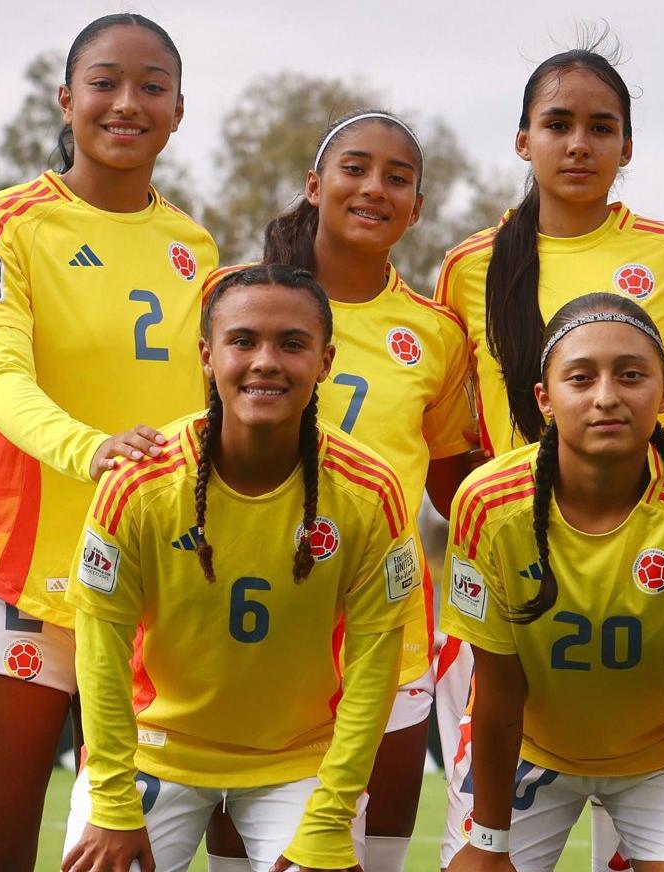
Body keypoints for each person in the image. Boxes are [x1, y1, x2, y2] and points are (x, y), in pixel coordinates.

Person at [0, 12, 216, 871]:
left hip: (151, 590)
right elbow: (2, 378)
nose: (127, 103)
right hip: (18, 575)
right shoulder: (4, 223)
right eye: (104, 82)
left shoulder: (195, 247)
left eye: (152, 87)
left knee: (125, 857)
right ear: (66, 99)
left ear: (177, 110)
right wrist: (90, 449)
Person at [60, 264, 417, 872]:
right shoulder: (141, 482)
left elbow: (373, 667)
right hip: (154, 753)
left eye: (293, 344)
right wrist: (114, 802)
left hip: (297, 759)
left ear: (326, 360)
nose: (266, 361)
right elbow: (99, 650)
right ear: (207, 355)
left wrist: (330, 817)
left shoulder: (370, 492)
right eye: (243, 341)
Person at [195, 110, 474, 872]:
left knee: (370, 860)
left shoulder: (437, 334)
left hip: (385, 632)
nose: (374, 187)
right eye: (355, 168)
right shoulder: (232, 296)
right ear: (315, 185)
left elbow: (455, 484)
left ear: (417, 208)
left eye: (399, 178)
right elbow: (155, 423)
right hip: (245, 625)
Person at [440, 294, 664, 871]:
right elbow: (497, 688)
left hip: (662, 757)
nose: (606, 397)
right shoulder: (487, 502)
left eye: (631, 376)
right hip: (529, 748)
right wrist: (487, 844)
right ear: (545, 398)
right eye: (581, 378)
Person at [435, 46, 664, 456]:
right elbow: (450, 422)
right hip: (515, 513)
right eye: (558, 125)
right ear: (524, 141)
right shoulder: (471, 265)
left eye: (601, 129)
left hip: (653, 512)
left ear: (626, 148)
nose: (579, 145)